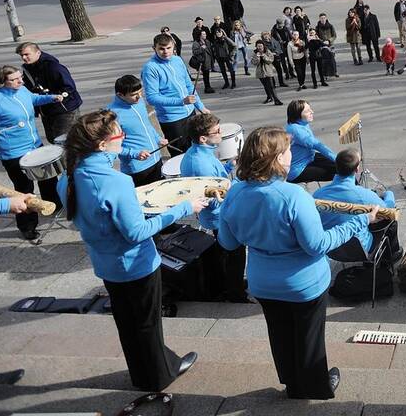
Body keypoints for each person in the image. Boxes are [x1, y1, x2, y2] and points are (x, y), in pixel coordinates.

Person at [219, 127, 374, 399]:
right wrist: (358, 222)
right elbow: (318, 245)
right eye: (288, 150)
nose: (293, 155)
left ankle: (291, 381)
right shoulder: (294, 196)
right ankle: (313, 387)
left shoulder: (234, 193)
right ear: (277, 158)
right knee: (309, 338)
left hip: (262, 282)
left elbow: (229, 243)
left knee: (279, 334)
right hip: (302, 283)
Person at [58, 110, 206, 391]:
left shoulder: (68, 177)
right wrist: (183, 209)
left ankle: (143, 373)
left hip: (106, 264)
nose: (122, 138)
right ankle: (159, 376)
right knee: (147, 324)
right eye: (119, 134)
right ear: (103, 145)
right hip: (134, 265)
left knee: (127, 323)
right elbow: (136, 233)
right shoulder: (116, 182)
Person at [0, 65, 65, 239]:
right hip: (13, 152)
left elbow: (33, 99)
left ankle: (52, 206)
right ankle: (27, 226)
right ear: (2, 82)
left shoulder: (22, 89)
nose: (20, 81)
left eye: (20, 77)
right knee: (24, 189)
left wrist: (51, 98)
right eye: (15, 79)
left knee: (48, 179)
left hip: (34, 144)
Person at [141, 34, 207, 156]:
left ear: (174, 47)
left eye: (168, 48)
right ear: (154, 48)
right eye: (161, 48)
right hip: (172, 119)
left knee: (198, 150)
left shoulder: (178, 60)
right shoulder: (150, 68)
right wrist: (181, 101)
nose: (165, 52)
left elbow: (189, 86)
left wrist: (200, 106)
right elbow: (152, 98)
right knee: (181, 156)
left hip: (190, 113)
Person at [109, 75, 167, 187]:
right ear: (120, 95)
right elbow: (111, 147)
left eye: (140, 92)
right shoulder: (112, 115)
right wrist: (134, 154)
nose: (139, 96)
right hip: (138, 168)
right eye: (133, 95)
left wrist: (157, 138)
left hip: (156, 159)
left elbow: (146, 124)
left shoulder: (139, 102)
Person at [17, 42, 82, 141]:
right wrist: (37, 108)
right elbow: (31, 90)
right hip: (47, 110)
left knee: (65, 140)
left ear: (38, 53)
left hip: (64, 109)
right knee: (52, 139)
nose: (24, 58)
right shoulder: (28, 69)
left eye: (27, 54)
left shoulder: (54, 67)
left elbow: (69, 87)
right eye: (22, 55)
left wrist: (55, 97)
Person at [285, 100, 337, 183]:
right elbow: (317, 145)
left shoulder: (301, 123)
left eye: (310, 109)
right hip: (298, 170)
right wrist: (338, 159)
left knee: (341, 166)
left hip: (309, 158)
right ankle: (355, 192)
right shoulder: (296, 130)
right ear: (297, 115)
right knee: (339, 171)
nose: (312, 112)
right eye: (307, 111)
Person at [252, 40, 283, 106]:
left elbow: (271, 60)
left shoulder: (267, 51)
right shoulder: (255, 53)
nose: (259, 47)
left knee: (271, 86)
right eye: (258, 46)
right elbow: (254, 63)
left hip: (268, 72)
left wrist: (264, 56)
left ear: (263, 46)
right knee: (266, 86)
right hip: (260, 73)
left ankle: (276, 100)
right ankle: (269, 97)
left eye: (260, 46)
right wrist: (257, 58)